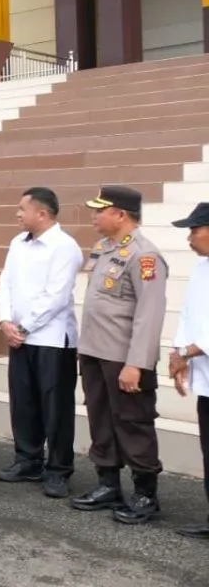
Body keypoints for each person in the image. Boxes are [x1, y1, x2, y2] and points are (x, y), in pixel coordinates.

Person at [70, 185, 168, 525]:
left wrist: (136, 364)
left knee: (133, 421)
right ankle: (108, 484)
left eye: (100, 210)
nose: (94, 216)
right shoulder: (104, 248)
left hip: (124, 357)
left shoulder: (145, 256)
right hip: (95, 351)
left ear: (121, 214)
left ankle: (145, 494)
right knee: (101, 418)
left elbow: (149, 314)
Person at [0, 187, 84, 498]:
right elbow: (5, 283)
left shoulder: (65, 246)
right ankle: (28, 460)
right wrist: (5, 320)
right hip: (19, 338)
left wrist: (23, 327)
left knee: (55, 408)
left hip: (52, 340)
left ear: (42, 213)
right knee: (24, 402)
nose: (17, 214)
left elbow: (56, 296)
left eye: (23, 209)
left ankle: (58, 469)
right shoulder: (18, 242)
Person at [167, 201, 209, 539]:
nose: (189, 238)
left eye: (194, 230)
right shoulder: (200, 268)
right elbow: (188, 315)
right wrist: (176, 352)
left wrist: (186, 353)